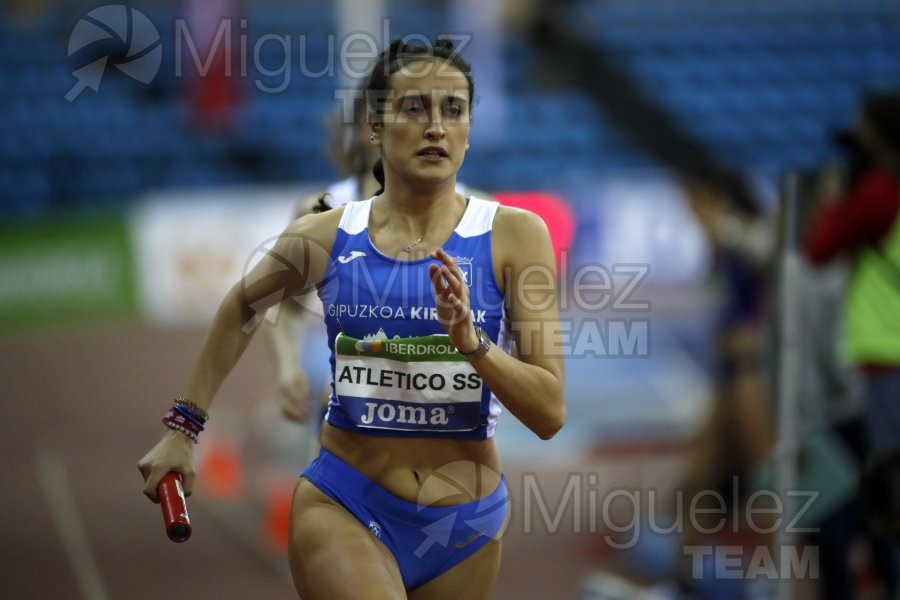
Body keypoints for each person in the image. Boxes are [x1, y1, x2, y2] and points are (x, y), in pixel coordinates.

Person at [138, 37, 565, 599]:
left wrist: (473, 343)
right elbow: (244, 306)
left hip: (466, 524)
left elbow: (549, 412)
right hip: (347, 501)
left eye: (453, 110)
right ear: (374, 128)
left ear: (468, 130)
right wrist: (183, 429)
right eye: (414, 108)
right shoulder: (325, 233)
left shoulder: (516, 235)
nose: (436, 126)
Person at [805, 91, 900, 599]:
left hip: (889, 365)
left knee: (890, 499)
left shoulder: (880, 193)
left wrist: (839, 196)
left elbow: (820, 248)